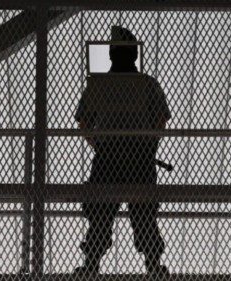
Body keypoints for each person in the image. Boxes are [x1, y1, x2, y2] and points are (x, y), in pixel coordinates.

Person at [73, 26, 171, 275]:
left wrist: (100, 146)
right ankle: (152, 265)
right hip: (141, 155)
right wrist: (149, 145)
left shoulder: (99, 84)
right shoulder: (148, 84)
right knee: (144, 212)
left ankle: (92, 264)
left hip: (108, 156)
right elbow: (161, 118)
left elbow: (83, 123)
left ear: (111, 54)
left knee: (100, 212)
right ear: (134, 54)